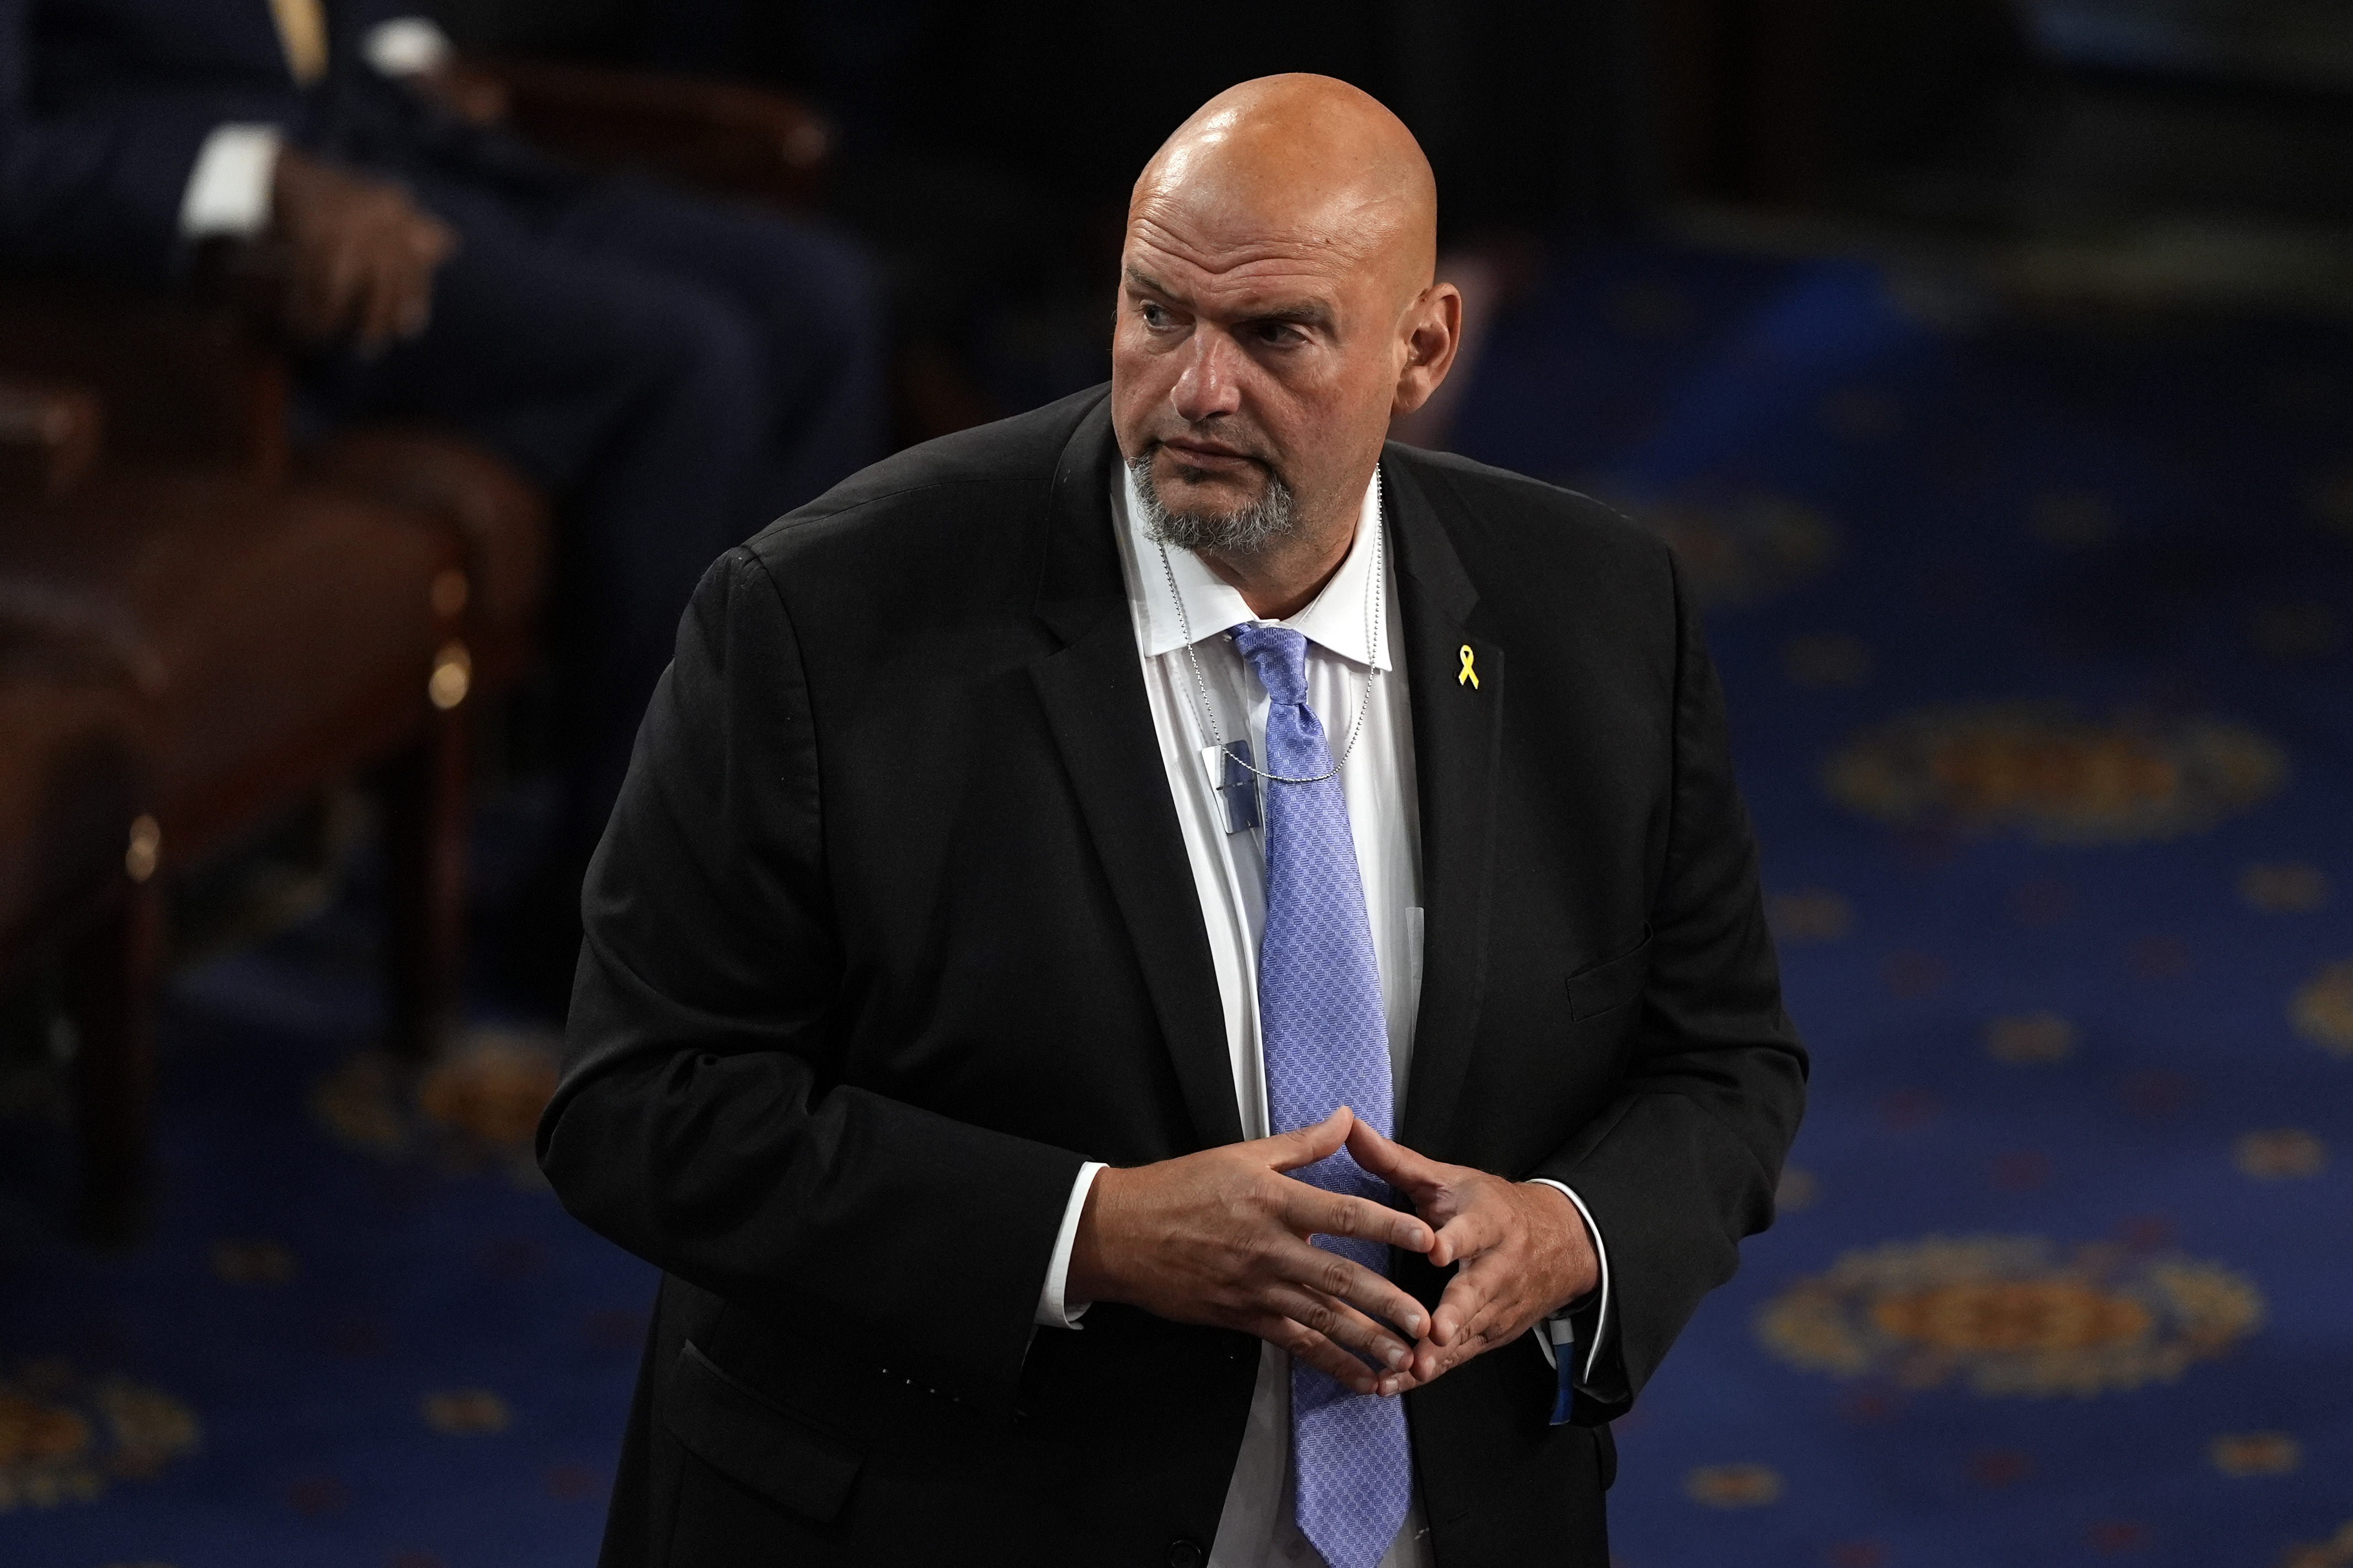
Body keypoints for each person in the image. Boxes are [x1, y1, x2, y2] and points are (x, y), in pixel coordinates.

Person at [543, 74, 1806, 1567]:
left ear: (1422, 349)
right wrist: (1095, 1231)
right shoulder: (823, 623)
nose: (1196, 390)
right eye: (1155, 315)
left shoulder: (1598, 612)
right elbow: (640, 1104)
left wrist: (1569, 1234)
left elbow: (1723, 1062)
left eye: (1274, 335)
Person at [0, 0, 887, 961]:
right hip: (243, 263)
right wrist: (250, 179)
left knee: (822, 300)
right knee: (687, 365)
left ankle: (775, 849)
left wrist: (390, 45)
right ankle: (636, 921)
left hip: (397, 138)